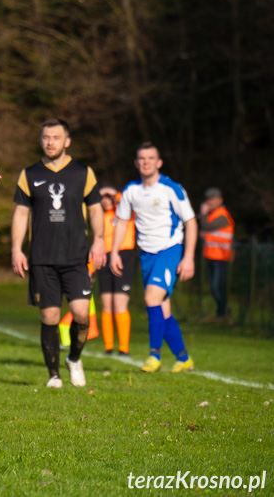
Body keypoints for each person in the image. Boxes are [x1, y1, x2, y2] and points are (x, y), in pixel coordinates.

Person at [11, 118, 106, 388]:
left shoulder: (82, 173)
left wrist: (99, 241)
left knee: (81, 314)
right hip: (42, 258)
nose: (49, 142)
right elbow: (20, 213)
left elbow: (96, 208)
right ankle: (54, 375)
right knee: (49, 316)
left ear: (67, 141)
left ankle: (74, 358)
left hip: (76, 257)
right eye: (45, 137)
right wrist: (17, 249)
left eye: (55, 137)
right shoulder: (29, 174)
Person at [110, 142, 197, 373]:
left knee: (151, 298)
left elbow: (191, 221)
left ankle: (154, 356)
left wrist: (188, 258)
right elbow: (122, 221)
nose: (146, 162)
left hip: (169, 250)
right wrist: (115, 251)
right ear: (136, 163)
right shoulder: (130, 190)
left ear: (159, 163)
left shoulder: (171, 188)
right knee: (162, 310)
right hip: (147, 255)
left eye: (151, 158)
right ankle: (183, 358)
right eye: (142, 158)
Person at [97, 185, 136, 356]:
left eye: (109, 197)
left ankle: (124, 348)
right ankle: (108, 346)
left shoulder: (124, 213)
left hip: (124, 256)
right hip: (104, 258)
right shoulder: (99, 217)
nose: (106, 200)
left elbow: (124, 199)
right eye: (102, 197)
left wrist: (112, 192)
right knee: (107, 304)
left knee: (120, 303)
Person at [198, 187, 234, 322]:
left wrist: (202, 214)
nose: (209, 202)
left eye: (212, 199)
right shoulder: (212, 214)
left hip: (221, 257)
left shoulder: (222, 215)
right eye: (208, 199)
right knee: (215, 287)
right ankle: (221, 314)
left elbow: (206, 227)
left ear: (220, 200)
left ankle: (223, 313)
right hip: (211, 256)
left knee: (217, 287)